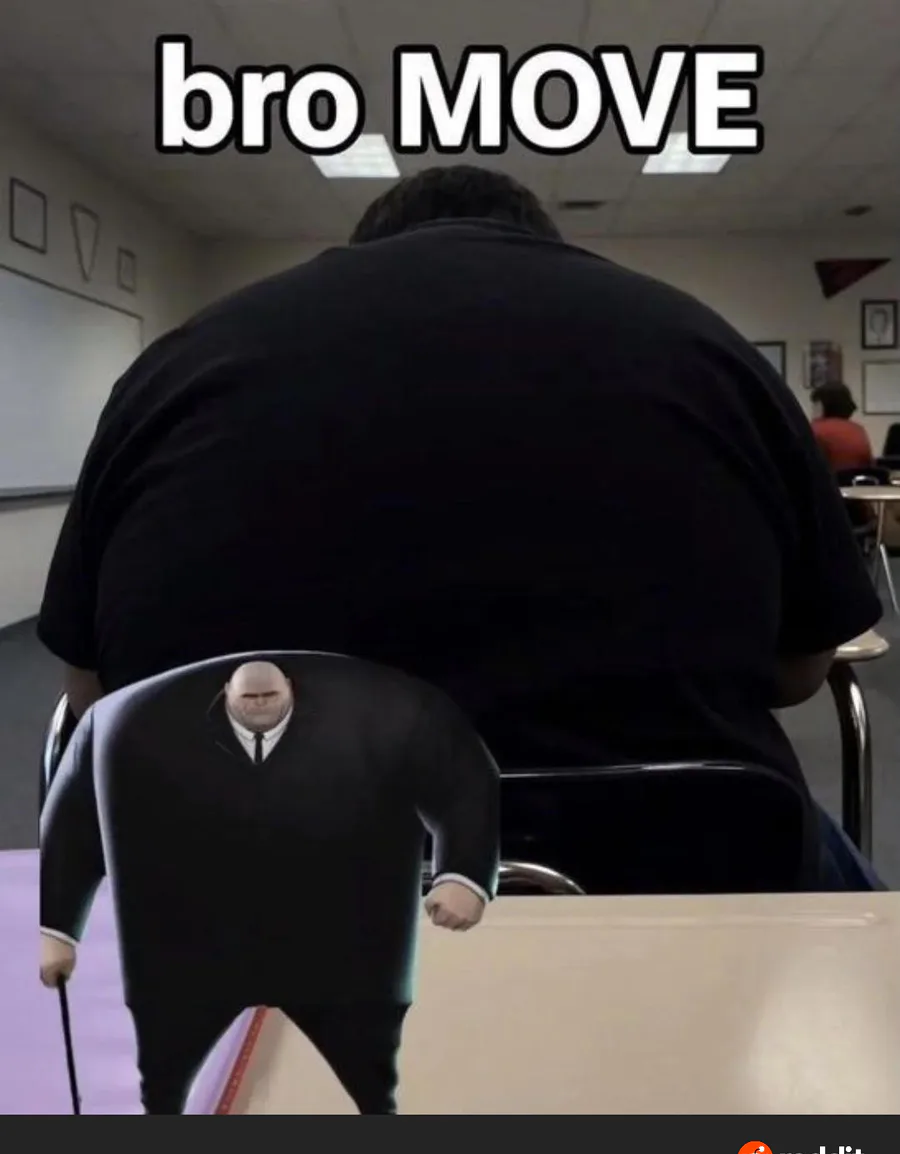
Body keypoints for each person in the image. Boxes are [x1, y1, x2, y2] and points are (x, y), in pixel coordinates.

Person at [37, 165, 882, 887]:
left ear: (365, 249)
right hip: (681, 880)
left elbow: (91, 688)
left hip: (245, 907)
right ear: (542, 244)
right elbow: (801, 669)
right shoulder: (711, 349)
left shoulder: (181, 363)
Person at [39, 652, 500, 1114]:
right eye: (250, 698)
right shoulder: (130, 724)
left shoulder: (391, 713)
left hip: (344, 936)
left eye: (268, 696)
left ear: (292, 691)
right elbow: (71, 820)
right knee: (162, 1088)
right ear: (225, 695)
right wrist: (56, 928)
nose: (259, 704)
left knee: (376, 1085)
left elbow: (464, 775)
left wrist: (462, 871)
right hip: (187, 943)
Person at [810, 382, 874, 473]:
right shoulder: (859, 430)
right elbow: (869, 465)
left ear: (821, 406)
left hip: (828, 481)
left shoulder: (815, 429)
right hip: (857, 481)